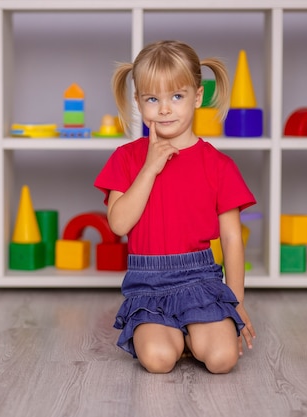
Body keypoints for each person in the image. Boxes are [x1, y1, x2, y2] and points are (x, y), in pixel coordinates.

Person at [94, 40, 256, 374]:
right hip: (148, 282)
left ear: (197, 97)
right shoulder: (126, 159)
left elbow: (231, 239)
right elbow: (119, 225)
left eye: (177, 97)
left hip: (201, 279)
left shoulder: (219, 165)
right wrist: (150, 168)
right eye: (153, 99)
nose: (165, 109)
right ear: (139, 101)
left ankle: (193, 332)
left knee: (223, 360)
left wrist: (236, 303)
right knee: (157, 360)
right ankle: (178, 336)